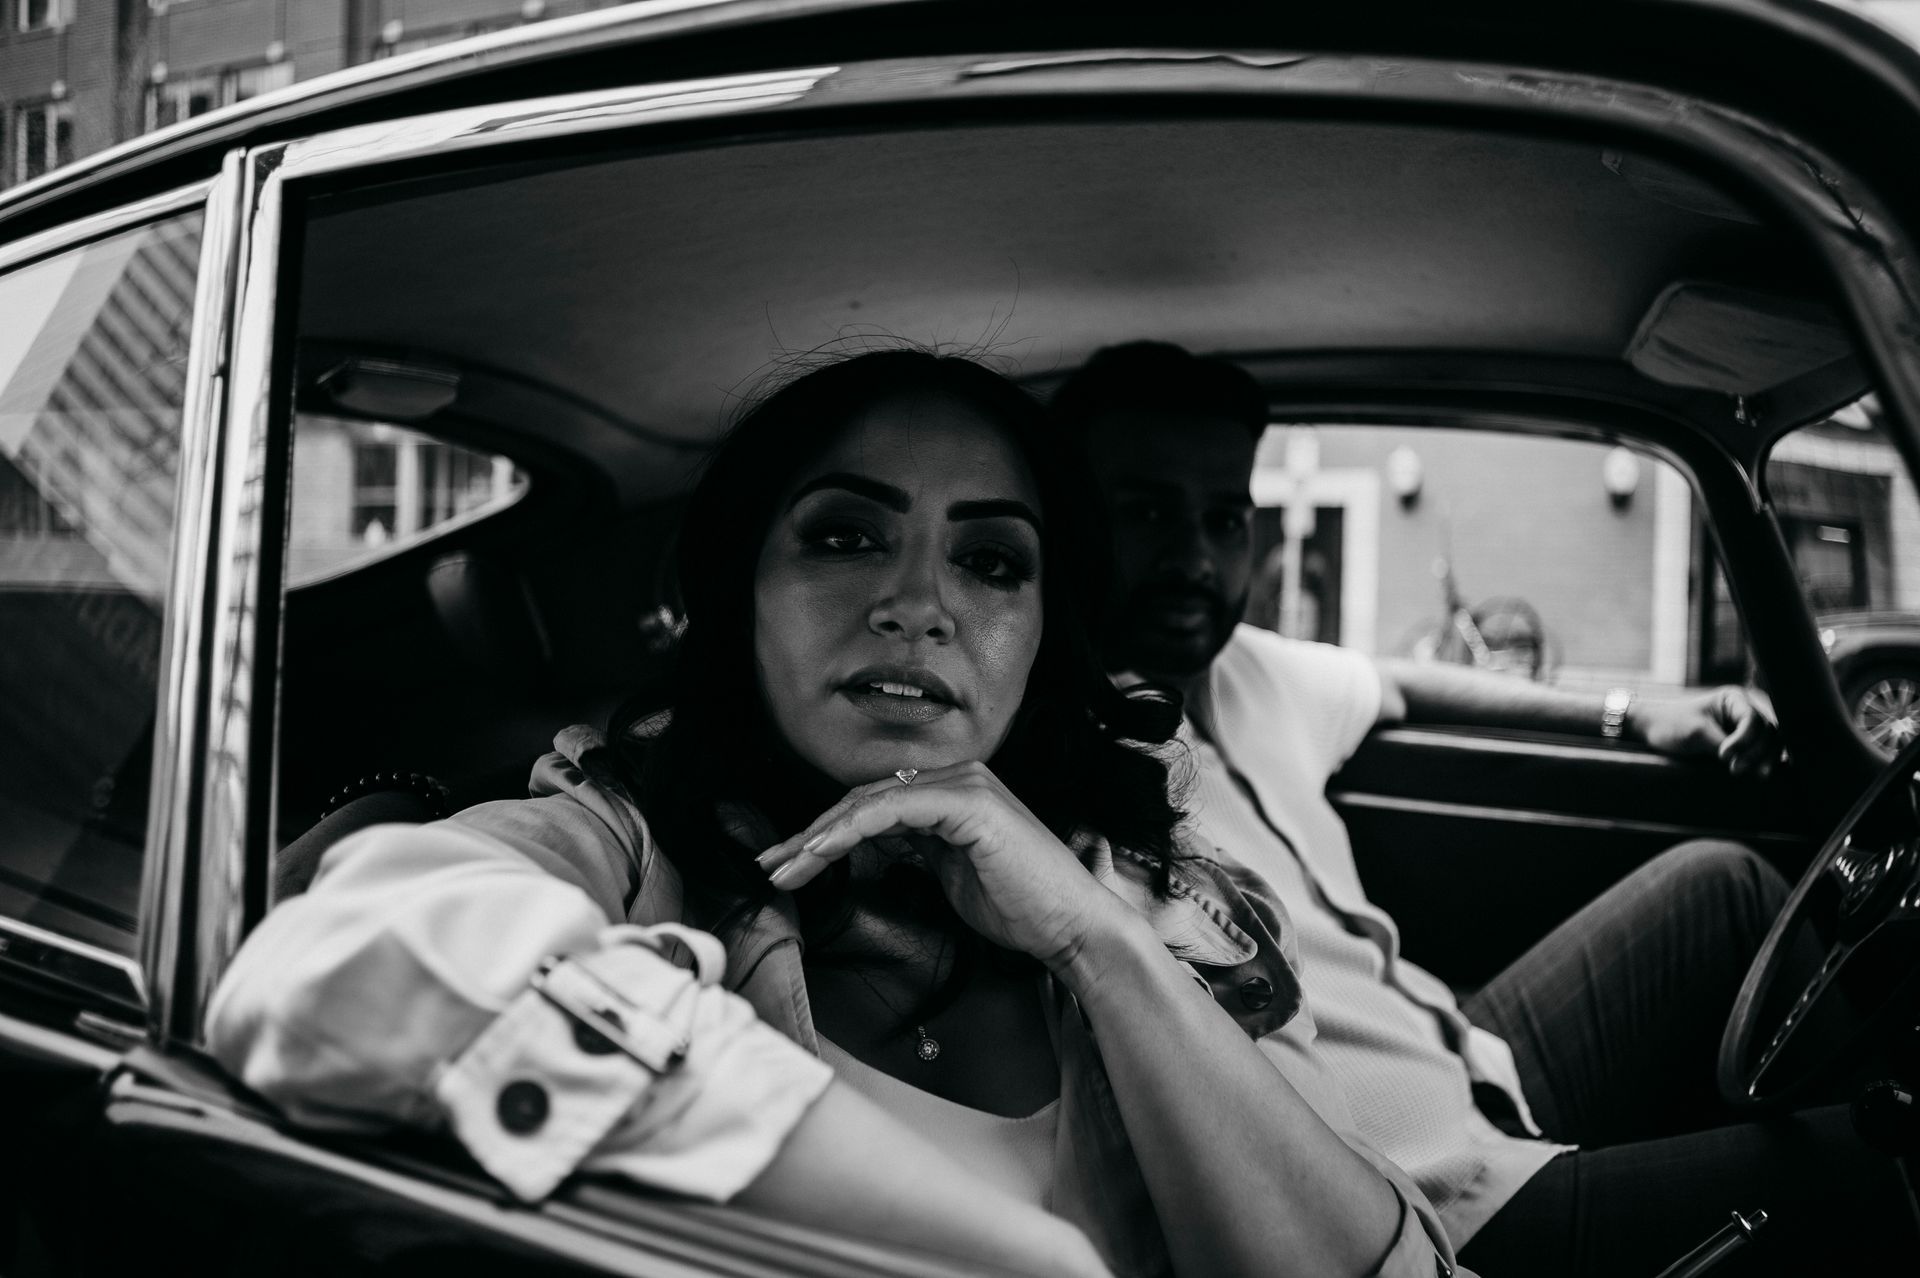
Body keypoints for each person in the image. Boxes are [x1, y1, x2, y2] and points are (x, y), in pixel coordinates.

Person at [207, 350, 1464, 1278]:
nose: (919, 603)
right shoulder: (622, 835)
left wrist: (1101, 941)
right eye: (847, 536)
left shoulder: (1164, 890)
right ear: (735, 592)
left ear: (1043, 633)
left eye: (990, 561)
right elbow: (340, 963)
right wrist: (1024, 1262)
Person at [1053, 341, 1920, 1276]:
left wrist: (1636, 713)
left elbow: (1404, 684)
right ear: (1069, 526)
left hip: (1471, 1060)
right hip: (1426, 1205)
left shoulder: (1252, 671)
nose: (1193, 557)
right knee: (1892, 1168)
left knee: (1722, 885)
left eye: (1224, 518)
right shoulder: (1058, 756)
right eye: (1144, 512)